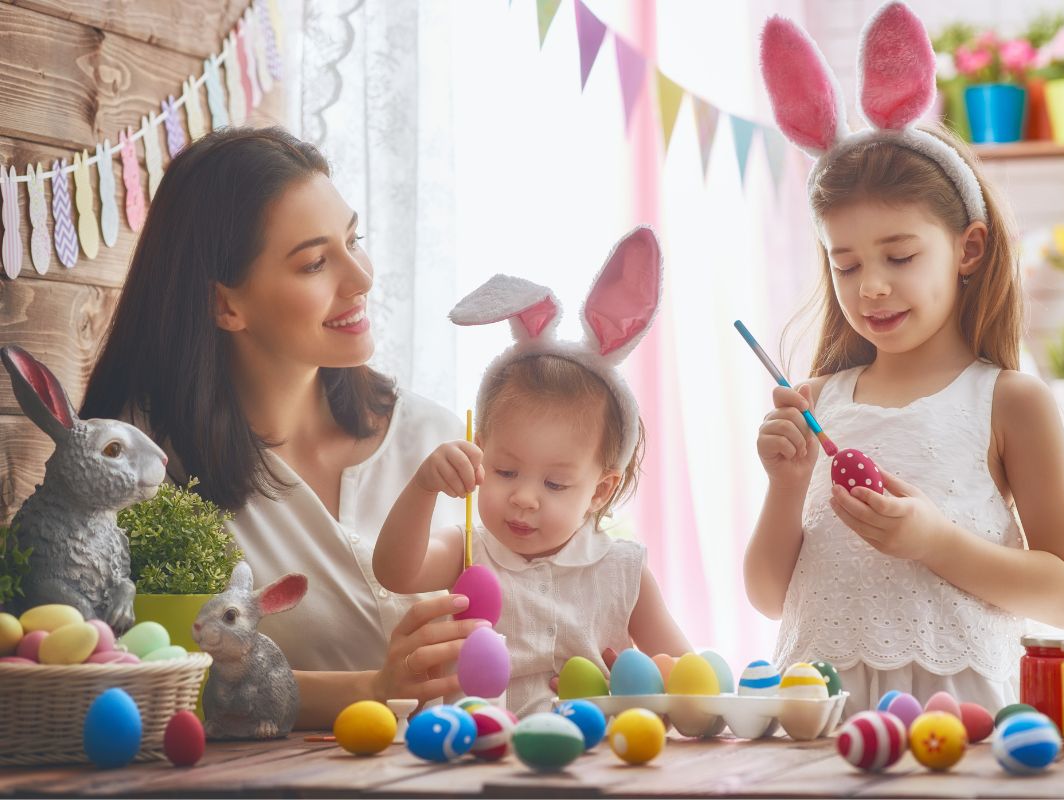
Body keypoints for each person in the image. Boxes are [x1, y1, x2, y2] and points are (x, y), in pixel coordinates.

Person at [744, 4, 1064, 714]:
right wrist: (785, 488)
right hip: (820, 718)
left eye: (899, 256)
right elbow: (766, 596)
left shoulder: (1008, 401)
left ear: (967, 248)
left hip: (954, 721)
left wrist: (936, 542)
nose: (870, 286)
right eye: (845, 265)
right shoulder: (817, 401)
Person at [81, 126, 481, 727]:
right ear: (225, 305)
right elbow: (149, 675)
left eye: (355, 240)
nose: (361, 277)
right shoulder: (147, 469)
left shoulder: (435, 436)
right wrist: (371, 686)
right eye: (316, 262)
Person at [373, 228, 690, 716]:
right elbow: (395, 572)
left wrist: (639, 685)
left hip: (594, 763)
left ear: (601, 490)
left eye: (555, 483)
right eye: (504, 471)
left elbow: (684, 673)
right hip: (477, 755)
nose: (524, 498)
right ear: (481, 452)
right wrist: (422, 488)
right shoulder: (469, 553)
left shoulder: (623, 571)